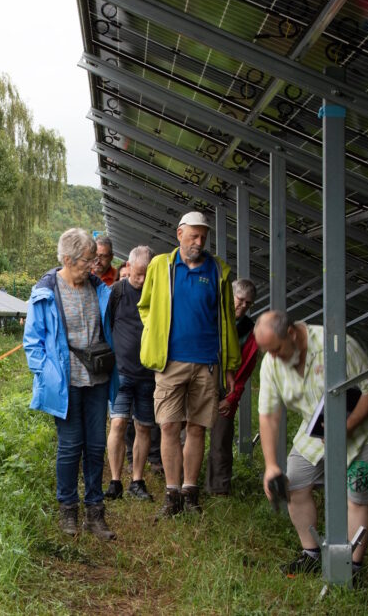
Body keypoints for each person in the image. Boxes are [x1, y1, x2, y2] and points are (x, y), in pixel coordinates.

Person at [254, 310, 368, 577]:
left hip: (363, 431)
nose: (273, 357)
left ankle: (350, 568)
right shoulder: (271, 363)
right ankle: (311, 554)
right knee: (294, 482)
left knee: (357, 497)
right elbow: (268, 415)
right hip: (318, 429)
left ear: (291, 333)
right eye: (267, 351)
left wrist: (347, 426)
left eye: (276, 349)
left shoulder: (338, 345)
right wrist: (271, 466)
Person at [138, 211, 240, 517]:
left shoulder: (218, 270)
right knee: (169, 425)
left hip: (207, 363)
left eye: (203, 237)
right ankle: (172, 495)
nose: (199, 242)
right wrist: (155, 331)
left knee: (197, 428)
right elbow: (145, 306)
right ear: (179, 234)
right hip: (170, 362)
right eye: (194, 236)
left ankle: (190, 491)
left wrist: (229, 365)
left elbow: (227, 321)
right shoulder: (161, 266)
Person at [24, 228, 119, 540]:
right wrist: (47, 374)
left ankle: (95, 512)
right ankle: (68, 509)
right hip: (65, 383)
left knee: (96, 445)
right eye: (86, 261)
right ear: (67, 259)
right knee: (69, 446)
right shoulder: (46, 292)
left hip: (97, 379)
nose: (93, 266)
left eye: (94, 260)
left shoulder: (99, 288)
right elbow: (33, 343)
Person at [104, 245, 157, 502]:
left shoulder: (158, 294)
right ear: (129, 266)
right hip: (120, 372)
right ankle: (115, 481)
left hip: (148, 374)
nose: (142, 279)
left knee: (143, 427)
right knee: (117, 423)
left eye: (147, 274)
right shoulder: (117, 292)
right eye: (138, 274)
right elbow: (105, 326)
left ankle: (137, 480)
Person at [205, 278, 260, 496]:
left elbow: (246, 367)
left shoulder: (250, 331)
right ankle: (185, 482)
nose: (243, 306)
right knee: (189, 432)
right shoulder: (211, 318)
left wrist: (232, 397)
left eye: (248, 303)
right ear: (230, 297)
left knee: (221, 438)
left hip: (227, 389)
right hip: (200, 383)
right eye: (240, 300)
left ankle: (219, 488)